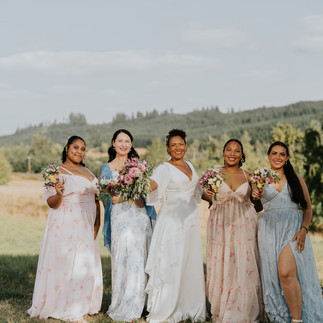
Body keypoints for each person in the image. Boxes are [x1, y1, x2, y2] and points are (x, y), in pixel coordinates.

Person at [27, 135, 103, 322]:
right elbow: (52, 203)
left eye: (83, 148)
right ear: (67, 148)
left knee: (84, 262)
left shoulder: (88, 171)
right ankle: (64, 303)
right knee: (66, 263)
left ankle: (83, 302)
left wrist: (97, 222)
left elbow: (96, 198)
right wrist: (59, 193)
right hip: (66, 221)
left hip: (87, 222)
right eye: (75, 147)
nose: (79, 151)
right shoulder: (56, 171)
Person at [252, 141, 323, 323]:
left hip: (292, 229)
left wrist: (304, 230)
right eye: (274, 153)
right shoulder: (260, 177)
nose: (277, 157)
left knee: (285, 272)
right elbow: (258, 207)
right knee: (277, 276)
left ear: (287, 158)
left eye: (282, 154)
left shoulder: (295, 178)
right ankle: (285, 315)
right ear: (268, 155)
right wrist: (256, 196)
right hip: (269, 230)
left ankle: (297, 320)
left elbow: (307, 208)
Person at [145, 129, 209, 323]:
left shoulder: (190, 165)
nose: (178, 148)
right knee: (171, 261)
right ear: (168, 148)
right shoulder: (164, 168)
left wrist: (218, 198)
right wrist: (136, 180)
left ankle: (190, 306)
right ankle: (167, 306)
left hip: (190, 220)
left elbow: (198, 190)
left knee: (189, 261)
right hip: (172, 221)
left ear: (186, 146)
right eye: (173, 145)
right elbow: (152, 185)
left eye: (181, 144)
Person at [100, 129, 156, 322]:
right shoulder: (106, 168)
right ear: (113, 143)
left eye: (127, 141)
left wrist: (140, 196)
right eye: (120, 141)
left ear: (131, 144)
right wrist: (129, 195)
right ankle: (124, 303)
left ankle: (144, 304)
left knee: (141, 259)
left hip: (139, 217)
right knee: (123, 259)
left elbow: (145, 193)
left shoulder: (139, 167)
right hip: (120, 219)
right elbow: (109, 199)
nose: (123, 144)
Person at [206, 139, 263, 322]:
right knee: (223, 264)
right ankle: (222, 309)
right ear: (223, 152)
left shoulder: (249, 176)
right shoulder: (212, 174)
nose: (232, 153)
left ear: (241, 154)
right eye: (228, 150)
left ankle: (243, 310)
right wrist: (209, 195)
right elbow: (204, 196)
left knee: (243, 265)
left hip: (244, 226)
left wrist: (257, 195)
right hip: (220, 226)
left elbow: (258, 205)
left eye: (236, 150)